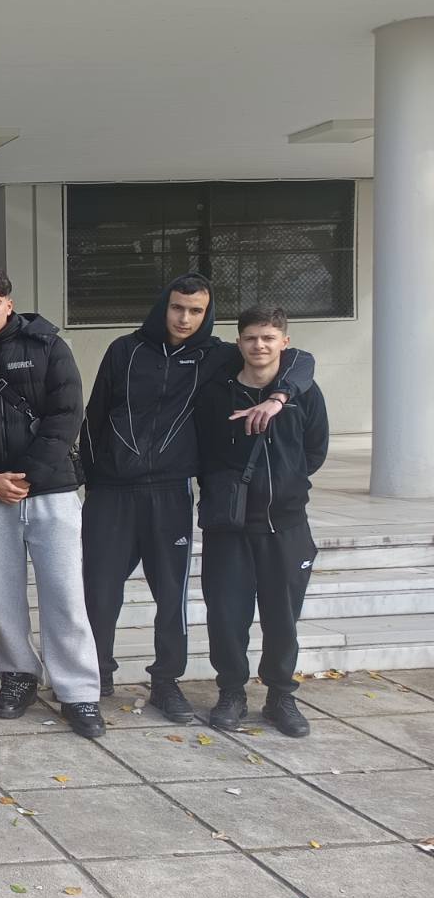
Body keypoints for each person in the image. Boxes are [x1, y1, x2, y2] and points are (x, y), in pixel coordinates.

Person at [80, 274, 314, 714]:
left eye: (195, 311)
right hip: (112, 492)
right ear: (163, 306)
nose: (184, 318)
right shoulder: (124, 350)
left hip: (170, 491)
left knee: (171, 596)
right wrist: (93, 480)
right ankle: (95, 674)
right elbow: (95, 416)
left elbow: (298, 357)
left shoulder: (217, 355)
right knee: (99, 589)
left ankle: (166, 681)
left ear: (207, 314)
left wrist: (280, 395)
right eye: (177, 308)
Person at [0, 269, 105, 738]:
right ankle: (17, 675)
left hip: (51, 492)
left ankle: (78, 691)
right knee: (2, 597)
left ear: (9, 302)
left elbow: (67, 414)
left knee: (65, 595)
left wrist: (28, 476)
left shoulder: (48, 346)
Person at [195, 305, 329, 739]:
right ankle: (231, 692)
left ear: (284, 343)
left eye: (269, 338)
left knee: (282, 618)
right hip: (229, 528)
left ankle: (280, 696)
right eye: (251, 337)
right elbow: (202, 450)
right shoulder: (217, 393)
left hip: (285, 526)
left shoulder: (303, 393)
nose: (259, 345)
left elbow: (315, 450)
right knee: (226, 616)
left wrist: (287, 484)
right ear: (239, 342)